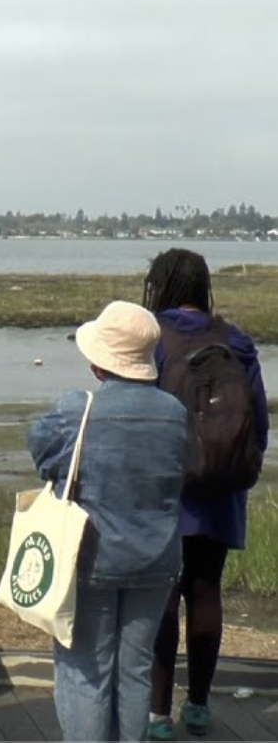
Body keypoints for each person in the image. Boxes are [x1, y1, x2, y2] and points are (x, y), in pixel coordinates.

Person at [28, 300, 189, 742]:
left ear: (100, 362)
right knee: (135, 671)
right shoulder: (175, 414)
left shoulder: (76, 409)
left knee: (86, 671)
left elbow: (40, 451)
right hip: (158, 560)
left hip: (93, 557)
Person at [143, 249, 268, 740]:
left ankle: (157, 715)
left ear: (162, 287)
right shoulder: (236, 340)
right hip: (221, 488)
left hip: (166, 489)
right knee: (206, 590)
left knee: (164, 597)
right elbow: (258, 421)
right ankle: (197, 705)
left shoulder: (153, 336)